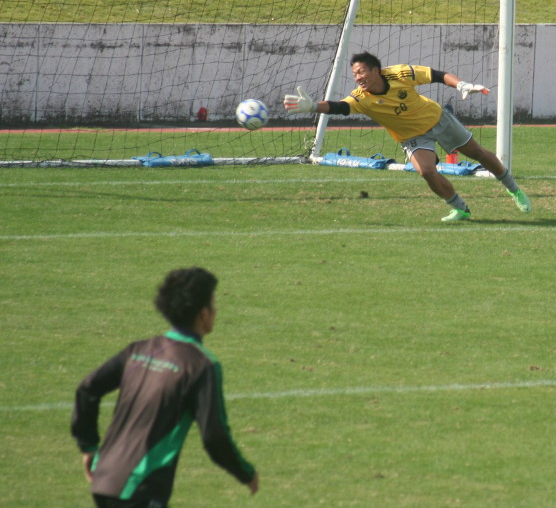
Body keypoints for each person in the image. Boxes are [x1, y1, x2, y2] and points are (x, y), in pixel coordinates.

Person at [71, 268, 259, 508]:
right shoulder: (201, 365)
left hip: (104, 477)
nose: (216, 310)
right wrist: (246, 473)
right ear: (203, 314)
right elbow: (214, 435)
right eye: (213, 304)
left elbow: (88, 388)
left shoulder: (138, 350)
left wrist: (88, 445)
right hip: (140, 489)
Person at [284, 51, 532, 222]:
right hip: (412, 137)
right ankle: (460, 209)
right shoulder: (361, 97)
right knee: (425, 171)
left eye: (361, 72)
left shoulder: (400, 74)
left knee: (477, 153)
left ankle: (514, 190)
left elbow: (437, 75)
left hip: (437, 119)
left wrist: (461, 85)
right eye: (355, 75)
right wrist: (313, 106)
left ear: (376, 70)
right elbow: (341, 107)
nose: (358, 78)